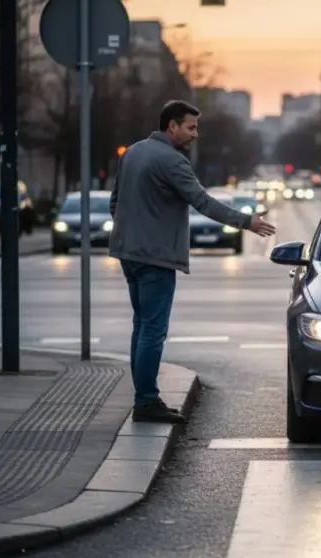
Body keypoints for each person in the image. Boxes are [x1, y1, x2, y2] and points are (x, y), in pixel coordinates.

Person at [109, 100, 276, 424]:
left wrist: (132, 232)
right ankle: (146, 401)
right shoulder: (172, 160)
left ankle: (144, 396)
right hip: (155, 256)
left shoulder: (132, 152)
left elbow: (115, 203)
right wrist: (246, 222)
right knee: (152, 331)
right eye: (190, 127)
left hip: (128, 253)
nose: (195, 134)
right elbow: (202, 201)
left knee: (141, 326)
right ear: (172, 126)